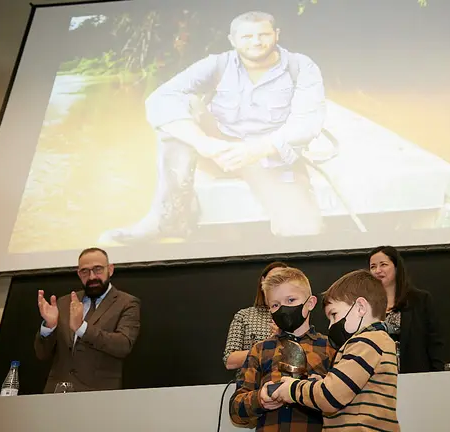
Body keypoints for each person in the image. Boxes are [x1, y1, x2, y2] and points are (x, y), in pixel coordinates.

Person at [101, 10, 326, 244]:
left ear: (276, 35)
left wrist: (255, 150)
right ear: (233, 40)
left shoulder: (301, 66)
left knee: (304, 232)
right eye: (247, 36)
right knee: (182, 105)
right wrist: (205, 144)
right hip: (220, 151)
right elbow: (159, 99)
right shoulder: (218, 63)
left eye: (263, 34)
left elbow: (307, 122)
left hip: (272, 158)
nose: (256, 42)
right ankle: (168, 218)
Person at [271, 269, 399, 431]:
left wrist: (292, 389)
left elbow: (331, 396)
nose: (331, 325)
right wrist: (316, 384)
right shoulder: (377, 341)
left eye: (334, 315)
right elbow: (344, 389)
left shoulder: (366, 341)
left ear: (360, 307)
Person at [229, 267, 336, 431]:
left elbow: (345, 400)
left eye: (291, 300)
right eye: (275, 305)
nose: (283, 309)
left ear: (310, 303)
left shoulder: (330, 347)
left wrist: (319, 390)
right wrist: (260, 398)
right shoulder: (260, 350)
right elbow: (236, 410)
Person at [34, 247, 141, 392]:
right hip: (57, 394)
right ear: (79, 274)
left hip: (98, 396)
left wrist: (82, 328)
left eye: (98, 269)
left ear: (110, 269)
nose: (91, 277)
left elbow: (123, 345)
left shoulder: (127, 303)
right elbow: (42, 354)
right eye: (85, 271)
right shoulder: (64, 302)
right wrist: (49, 327)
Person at [369, 245, 445, 373]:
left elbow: (434, 342)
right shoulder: (366, 304)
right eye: (373, 267)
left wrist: (437, 375)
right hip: (378, 378)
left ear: (396, 267)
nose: (377, 270)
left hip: (415, 374)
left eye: (383, 265)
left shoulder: (420, 300)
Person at [223, 261, 287, 371]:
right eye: (272, 280)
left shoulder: (295, 314)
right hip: (251, 383)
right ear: (263, 282)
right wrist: (266, 348)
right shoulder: (244, 316)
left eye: (282, 280)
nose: (276, 284)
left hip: (287, 382)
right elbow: (230, 361)